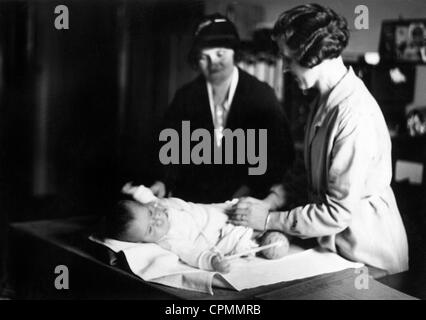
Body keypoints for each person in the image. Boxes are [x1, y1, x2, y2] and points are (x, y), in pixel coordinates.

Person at [229, 4, 409, 275]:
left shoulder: (354, 114)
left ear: (312, 55)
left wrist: (269, 219)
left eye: (288, 59)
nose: (286, 69)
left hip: (372, 260)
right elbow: (305, 175)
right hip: (337, 249)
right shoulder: (323, 100)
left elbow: (336, 212)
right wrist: (270, 201)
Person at [150, 13, 294, 207]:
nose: (213, 63)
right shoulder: (185, 97)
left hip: (245, 202)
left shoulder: (261, 95)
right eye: (204, 57)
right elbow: (169, 150)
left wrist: (252, 189)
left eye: (220, 54)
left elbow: (280, 156)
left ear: (234, 52)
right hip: (192, 203)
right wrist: (162, 181)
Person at [105, 184, 290, 273]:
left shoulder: (157, 205)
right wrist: (212, 262)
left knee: (244, 206)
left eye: (152, 214)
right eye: (150, 230)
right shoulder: (170, 240)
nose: (158, 220)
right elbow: (193, 254)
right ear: (143, 242)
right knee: (243, 241)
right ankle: (264, 238)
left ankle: (276, 214)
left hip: (218, 211)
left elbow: (147, 198)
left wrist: (132, 189)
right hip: (220, 235)